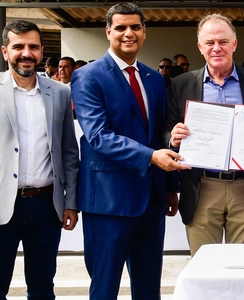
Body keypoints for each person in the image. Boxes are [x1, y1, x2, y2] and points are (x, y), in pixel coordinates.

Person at [71, 3, 187, 299]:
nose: (128, 33)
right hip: (108, 202)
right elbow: (98, 135)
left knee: (149, 288)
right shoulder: (88, 77)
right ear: (108, 31)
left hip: (152, 199)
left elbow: (163, 133)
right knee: (105, 288)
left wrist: (171, 187)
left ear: (144, 32)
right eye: (121, 27)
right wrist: (150, 157)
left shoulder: (155, 79)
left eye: (135, 27)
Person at [0, 19, 79, 299]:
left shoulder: (60, 93)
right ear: (4, 51)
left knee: (42, 289)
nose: (26, 53)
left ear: (41, 50)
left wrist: (70, 202)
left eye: (33, 47)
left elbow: (69, 153)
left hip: (47, 208)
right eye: (18, 46)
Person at [165, 13, 244, 256]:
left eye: (223, 41)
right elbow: (165, 130)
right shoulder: (182, 83)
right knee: (204, 268)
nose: (216, 48)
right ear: (200, 47)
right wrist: (172, 137)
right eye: (210, 43)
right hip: (201, 187)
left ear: (234, 44)